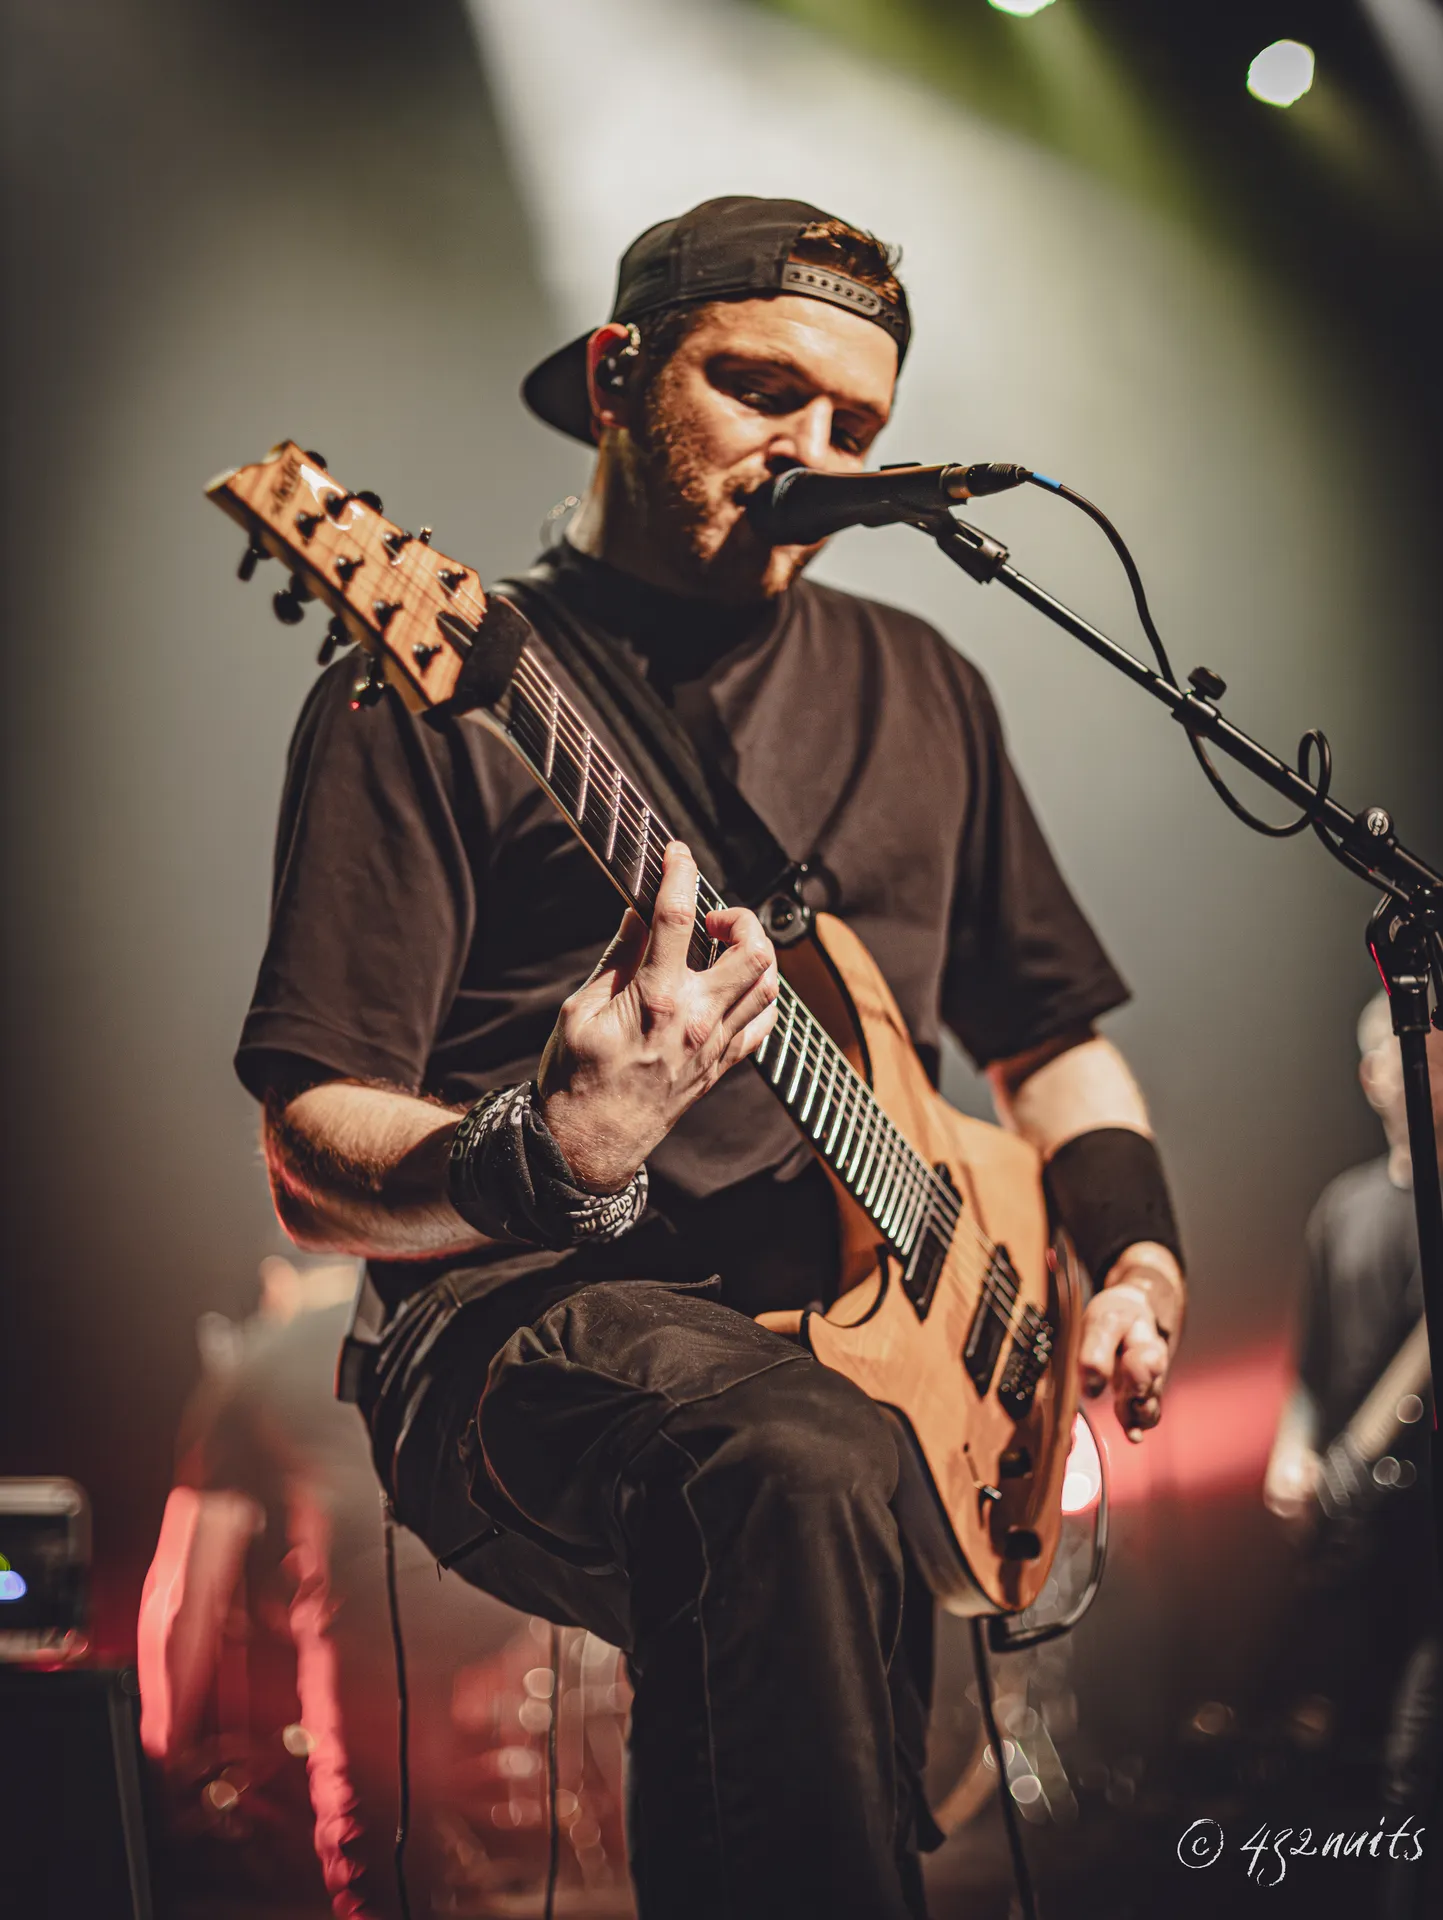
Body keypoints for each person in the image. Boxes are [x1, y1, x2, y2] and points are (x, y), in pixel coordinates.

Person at [235, 196, 1188, 1919]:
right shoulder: (433, 683)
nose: (812, 448)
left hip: (865, 1358)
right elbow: (312, 1152)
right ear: (615, 376)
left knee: (826, 1511)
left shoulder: (922, 686)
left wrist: (1129, 1258)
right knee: (787, 1460)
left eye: (857, 426)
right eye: (759, 389)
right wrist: (541, 1150)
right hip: (515, 1326)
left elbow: (1050, 1038)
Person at [1264, 990, 1440, 1919]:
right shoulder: (1343, 1206)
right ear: (1373, 1075)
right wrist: (1291, 1455)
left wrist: (1359, 1454)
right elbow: (1306, 1365)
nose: (1424, 1068)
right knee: (1330, 1759)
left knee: (1415, 1762)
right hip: (1347, 1534)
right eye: (1407, 1052)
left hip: (1425, 1532)